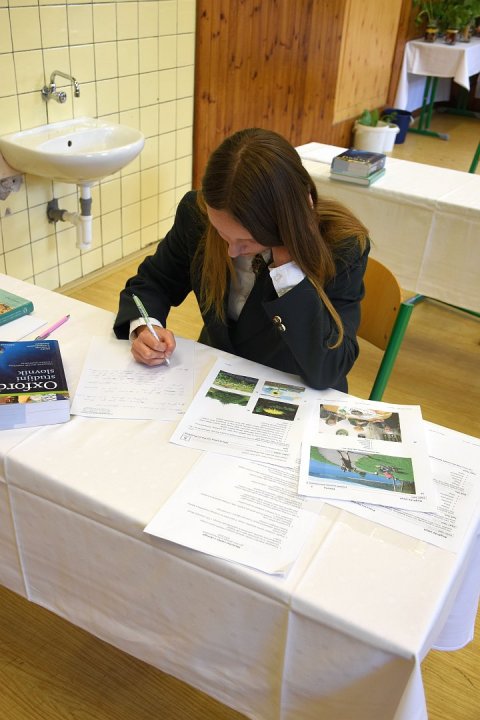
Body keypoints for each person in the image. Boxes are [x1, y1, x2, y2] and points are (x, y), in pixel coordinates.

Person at [114, 128, 370, 391]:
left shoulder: (342, 246)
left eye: (246, 241)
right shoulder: (196, 215)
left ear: (286, 221)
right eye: (222, 233)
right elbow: (152, 283)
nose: (232, 252)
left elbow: (328, 369)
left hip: (292, 388)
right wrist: (145, 327)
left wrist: (288, 266)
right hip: (216, 373)